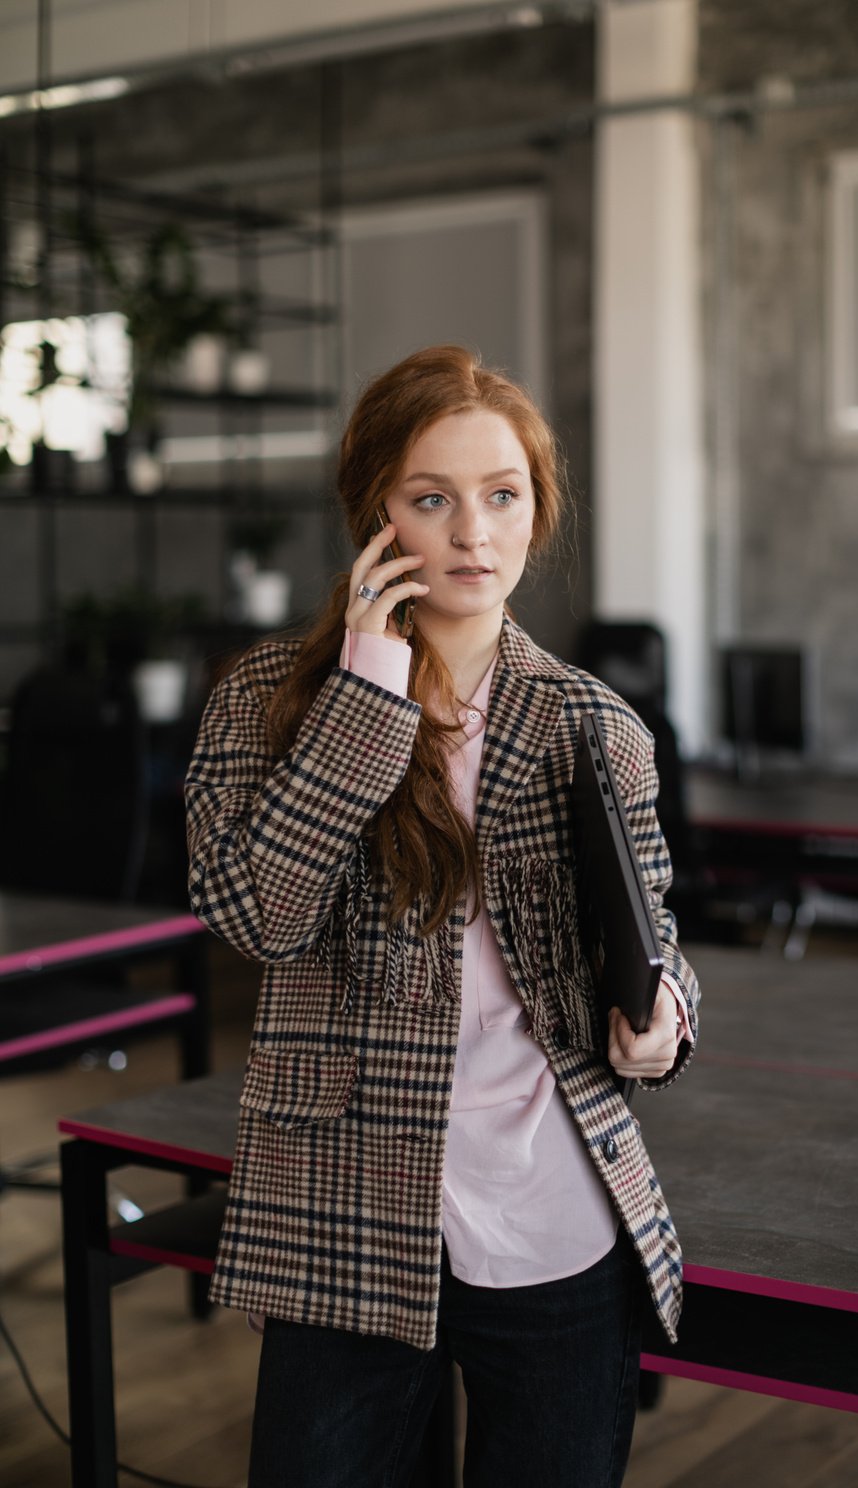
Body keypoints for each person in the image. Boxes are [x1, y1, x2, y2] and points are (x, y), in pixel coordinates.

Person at [185, 344, 700, 1488]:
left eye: (502, 497)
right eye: (433, 499)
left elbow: (654, 932)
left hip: (557, 1214)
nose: (473, 534)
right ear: (378, 514)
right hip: (343, 1202)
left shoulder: (592, 724)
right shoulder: (267, 699)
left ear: (535, 513)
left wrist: (664, 1013)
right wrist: (368, 694)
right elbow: (255, 916)